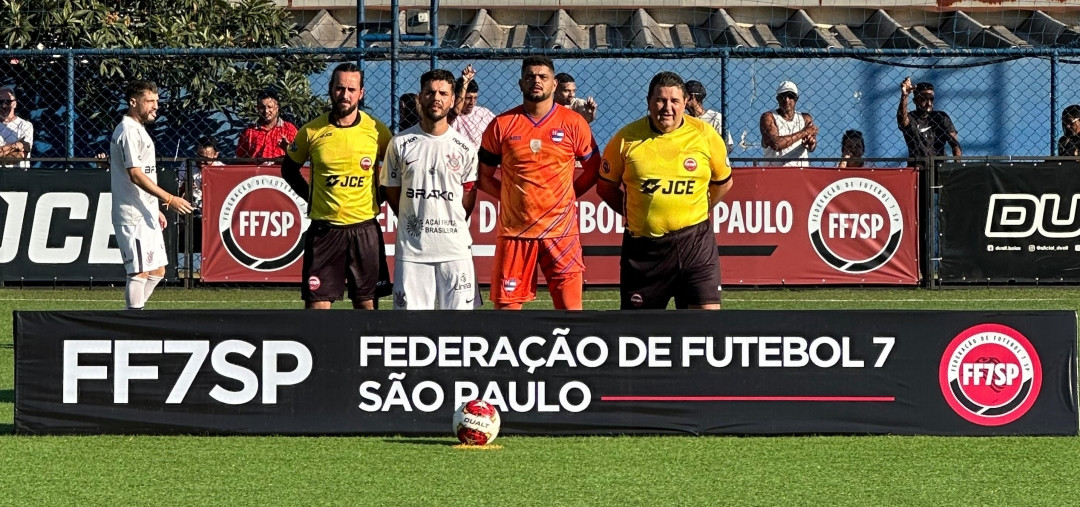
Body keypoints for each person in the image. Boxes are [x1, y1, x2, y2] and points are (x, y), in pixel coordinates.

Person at [597, 71, 733, 310]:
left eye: (674, 101)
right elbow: (605, 188)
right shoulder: (625, 139)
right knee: (639, 336)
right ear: (649, 101)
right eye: (660, 100)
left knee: (706, 326)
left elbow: (724, 183)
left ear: (686, 102)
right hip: (644, 251)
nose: (667, 108)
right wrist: (637, 214)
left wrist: (699, 208)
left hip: (695, 244)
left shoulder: (705, 135)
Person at [478, 56, 600, 310]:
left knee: (571, 312)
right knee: (507, 315)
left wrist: (569, 195)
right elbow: (483, 176)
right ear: (520, 83)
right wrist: (511, 199)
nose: (536, 81)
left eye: (543, 77)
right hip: (515, 234)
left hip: (561, 233)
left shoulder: (573, 123)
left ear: (554, 84)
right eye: (530, 76)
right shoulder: (501, 124)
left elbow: (593, 169)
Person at [281, 63, 392, 310]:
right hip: (325, 232)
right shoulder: (311, 131)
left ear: (361, 93)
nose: (345, 94)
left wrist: (380, 195)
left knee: (366, 307)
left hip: (364, 230)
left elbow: (397, 168)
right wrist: (310, 195)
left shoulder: (376, 130)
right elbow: (288, 169)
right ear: (330, 90)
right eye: (340, 88)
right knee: (317, 310)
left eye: (351, 89)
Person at [382, 69, 479, 310]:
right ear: (419, 98)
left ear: (452, 99)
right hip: (413, 251)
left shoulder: (465, 148)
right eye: (430, 92)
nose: (436, 98)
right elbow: (392, 192)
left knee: (460, 330)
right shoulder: (400, 143)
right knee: (410, 330)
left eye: (443, 93)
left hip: (455, 250)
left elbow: (468, 198)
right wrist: (413, 215)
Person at [109, 80, 194, 309]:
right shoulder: (127, 130)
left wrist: (153, 207)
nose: (155, 106)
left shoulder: (139, 130)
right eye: (150, 101)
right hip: (132, 214)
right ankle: (132, 325)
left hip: (144, 210)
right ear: (133, 102)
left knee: (157, 270)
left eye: (157, 101)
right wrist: (169, 199)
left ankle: (132, 316)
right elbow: (135, 174)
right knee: (139, 271)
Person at [896, 78, 962, 164]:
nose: (929, 103)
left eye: (931, 99)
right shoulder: (911, 118)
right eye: (924, 99)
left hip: (940, 168)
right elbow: (902, 120)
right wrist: (904, 96)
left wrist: (957, 167)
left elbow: (955, 145)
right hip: (917, 169)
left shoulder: (941, 117)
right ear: (915, 101)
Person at [760, 80, 817, 166]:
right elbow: (776, 144)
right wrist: (804, 132)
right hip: (775, 174)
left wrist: (811, 144)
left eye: (790, 96)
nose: (786, 100)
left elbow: (811, 145)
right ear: (777, 98)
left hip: (800, 173)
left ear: (796, 98)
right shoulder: (769, 117)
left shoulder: (805, 118)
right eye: (783, 96)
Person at [236, 89, 298, 162]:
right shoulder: (249, 132)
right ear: (257, 109)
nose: (266, 111)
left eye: (270, 107)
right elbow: (240, 159)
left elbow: (300, 155)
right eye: (262, 107)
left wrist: (288, 149)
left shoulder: (289, 129)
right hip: (257, 171)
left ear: (277, 108)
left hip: (280, 171)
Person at [450, 65, 496, 148]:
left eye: (475, 98)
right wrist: (465, 82)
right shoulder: (452, 117)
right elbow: (456, 110)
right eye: (468, 98)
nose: (472, 102)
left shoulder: (484, 113)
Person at [0, 87, 33, 168]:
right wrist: (14, 146)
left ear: (14, 104)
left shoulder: (25, 125)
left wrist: (2, 151)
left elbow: (22, 154)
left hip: (18, 174)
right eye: (0, 102)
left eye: (7, 102)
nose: (3, 105)